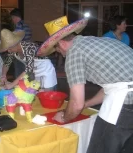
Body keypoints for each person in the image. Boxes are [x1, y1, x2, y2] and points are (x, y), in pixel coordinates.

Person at [38, 16, 133, 153]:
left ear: (62, 44)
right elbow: (112, 86)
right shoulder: (97, 41)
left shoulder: (74, 52)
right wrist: (86, 104)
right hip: (126, 95)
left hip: (125, 101)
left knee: (100, 148)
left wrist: (64, 117)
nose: (62, 55)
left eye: (58, 50)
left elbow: (76, 104)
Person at [9, 8, 32, 78]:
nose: (12, 20)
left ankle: (18, 85)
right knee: (26, 71)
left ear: (14, 17)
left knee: (19, 71)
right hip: (27, 50)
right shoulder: (25, 25)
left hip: (20, 51)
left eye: (12, 18)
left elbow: (16, 40)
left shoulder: (19, 26)